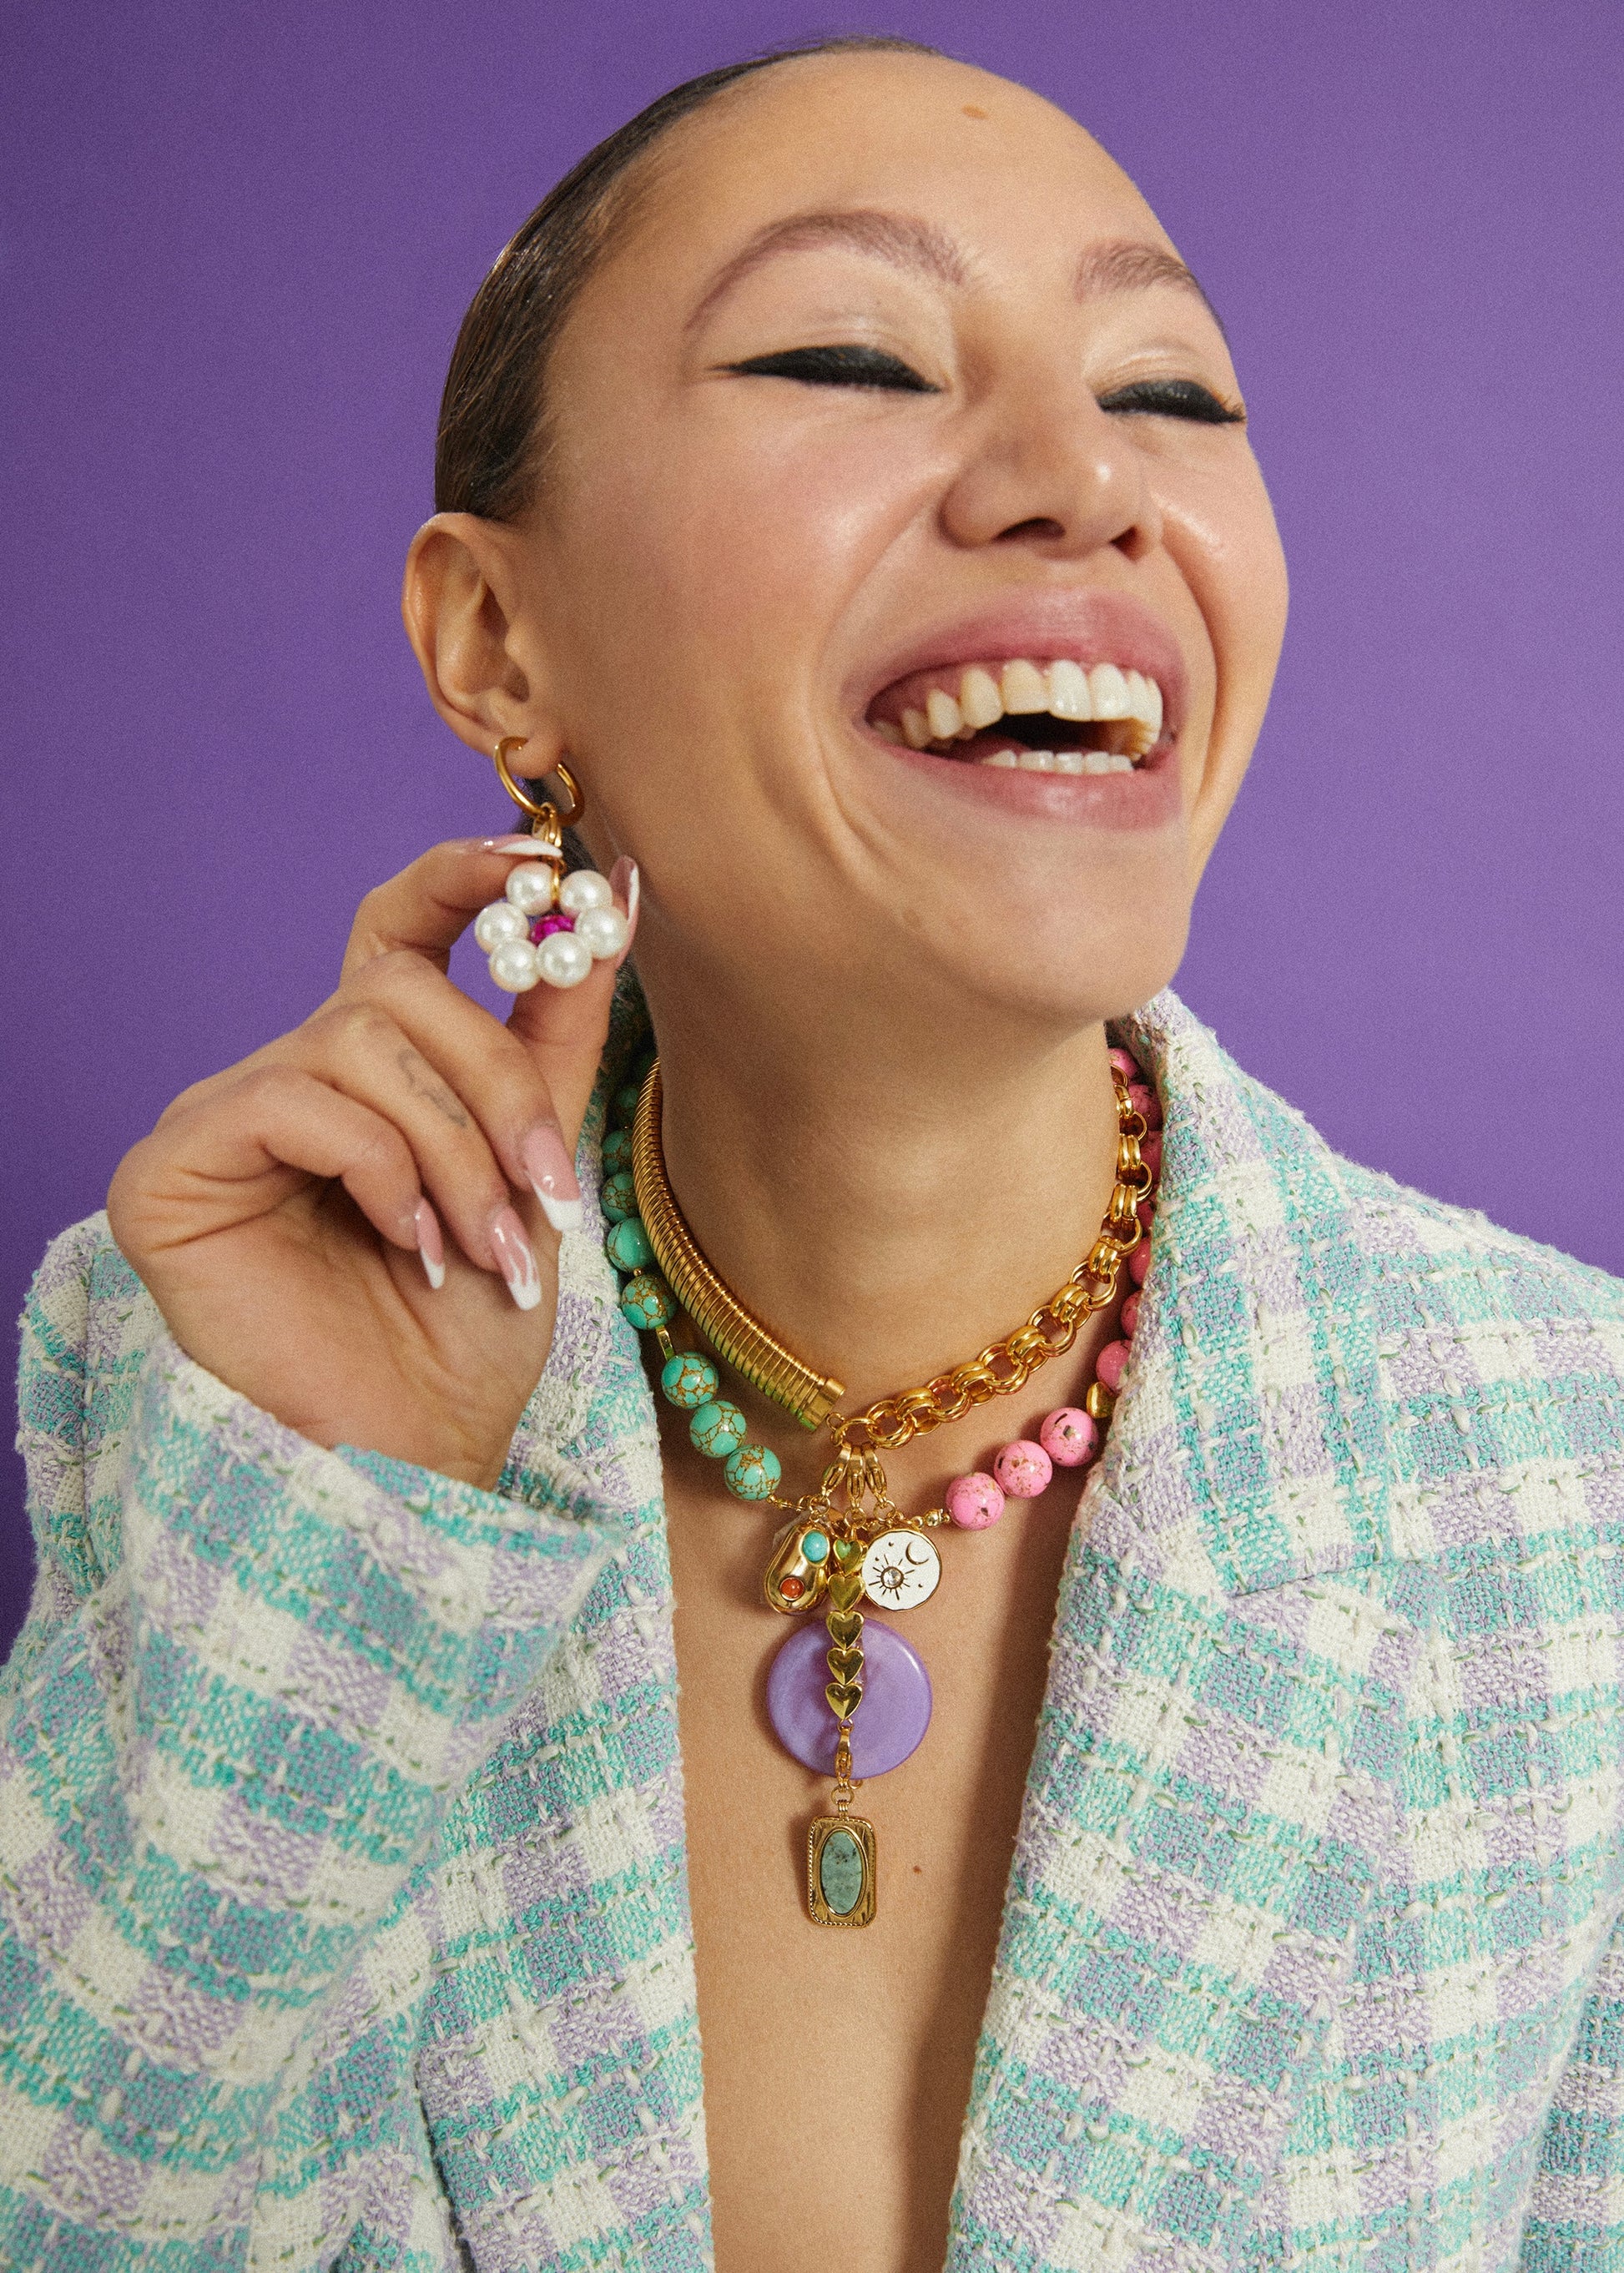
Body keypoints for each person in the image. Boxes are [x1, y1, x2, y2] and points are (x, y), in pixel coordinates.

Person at [5, 33, 1622, 2273]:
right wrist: (345, 1538)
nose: (1085, 480)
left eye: (1167, 392)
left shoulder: (1572, 1476)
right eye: (851, 356)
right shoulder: (216, 1381)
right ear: (497, 642)